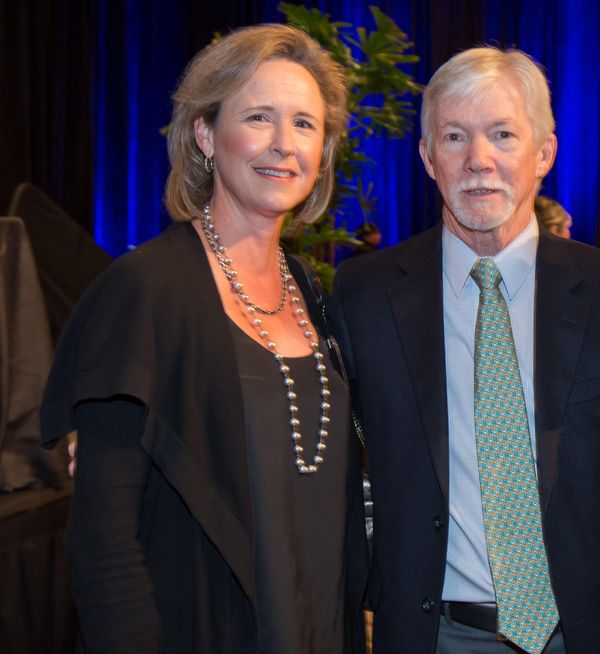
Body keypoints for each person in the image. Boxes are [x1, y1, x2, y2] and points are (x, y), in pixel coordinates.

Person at [329, 47, 600, 653]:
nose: (478, 160)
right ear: (428, 158)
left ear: (544, 154)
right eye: (454, 137)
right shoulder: (364, 296)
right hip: (435, 634)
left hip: (588, 633)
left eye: (503, 135)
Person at [40, 25, 366, 653]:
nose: (283, 143)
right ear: (206, 135)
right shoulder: (144, 291)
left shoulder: (312, 294)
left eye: (304, 124)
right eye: (259, 117)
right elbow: (103, 539)